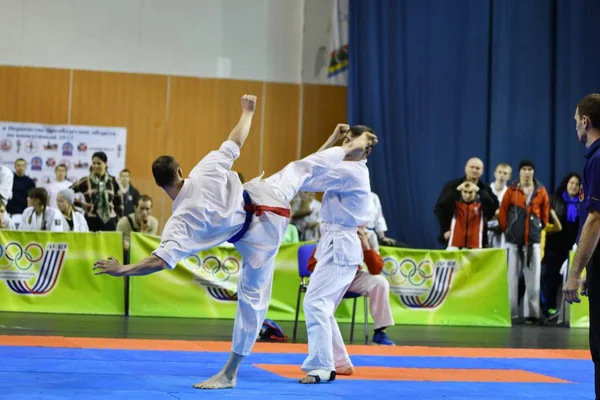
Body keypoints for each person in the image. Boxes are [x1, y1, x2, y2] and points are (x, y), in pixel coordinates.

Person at [92, 95, 377, 390]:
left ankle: (230, 373)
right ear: (180, 171)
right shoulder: (205, 168)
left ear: (159, 184)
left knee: (252, 301)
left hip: (259, 239)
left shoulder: (180, 223)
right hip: (265, 198)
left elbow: (157, 261)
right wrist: (247, 112)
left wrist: (122, 269)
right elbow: (237, 138)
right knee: (297, 169)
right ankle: (323, 361)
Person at [298, 125, 375, 384]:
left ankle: (322, 367)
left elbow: (305, 175)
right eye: (347, 140)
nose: (348, 144)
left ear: (367, 149)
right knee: (323, 306)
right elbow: (310, 168)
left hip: (341, 244)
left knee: (315, 304)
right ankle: (340, 362)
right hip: (335, 243)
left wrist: (334, 142)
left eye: (354, 142)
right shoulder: (347, 168)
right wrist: (332, 138)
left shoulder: (350, 172)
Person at [563, 93, 600, 400]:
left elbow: (595, 221)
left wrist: (574, 272)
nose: (575, 126)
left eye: (576, 120)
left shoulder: (598, 160)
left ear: (586, 122)